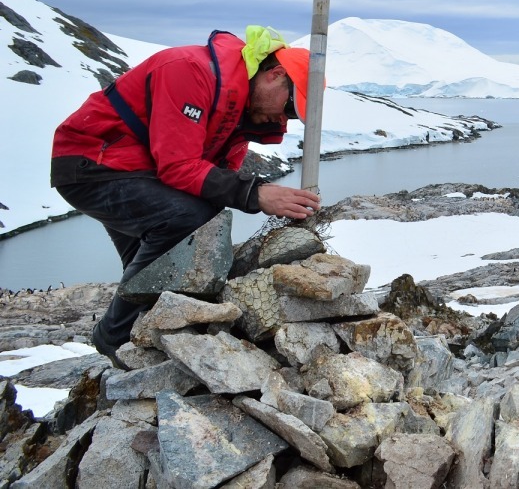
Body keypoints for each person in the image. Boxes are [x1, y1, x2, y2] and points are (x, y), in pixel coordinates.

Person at [50, 26, 321, 365]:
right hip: (94, 163)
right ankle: (113, 337)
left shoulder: (240, 109)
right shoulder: (190, 71)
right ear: (275, 74)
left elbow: (214, 178)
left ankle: (139, 344)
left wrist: (249, 195)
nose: (284, 118)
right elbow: (177, 166)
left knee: (166, 262)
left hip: (137, 171)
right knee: (188, 219)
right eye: (291, 107)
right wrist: (256, 194)